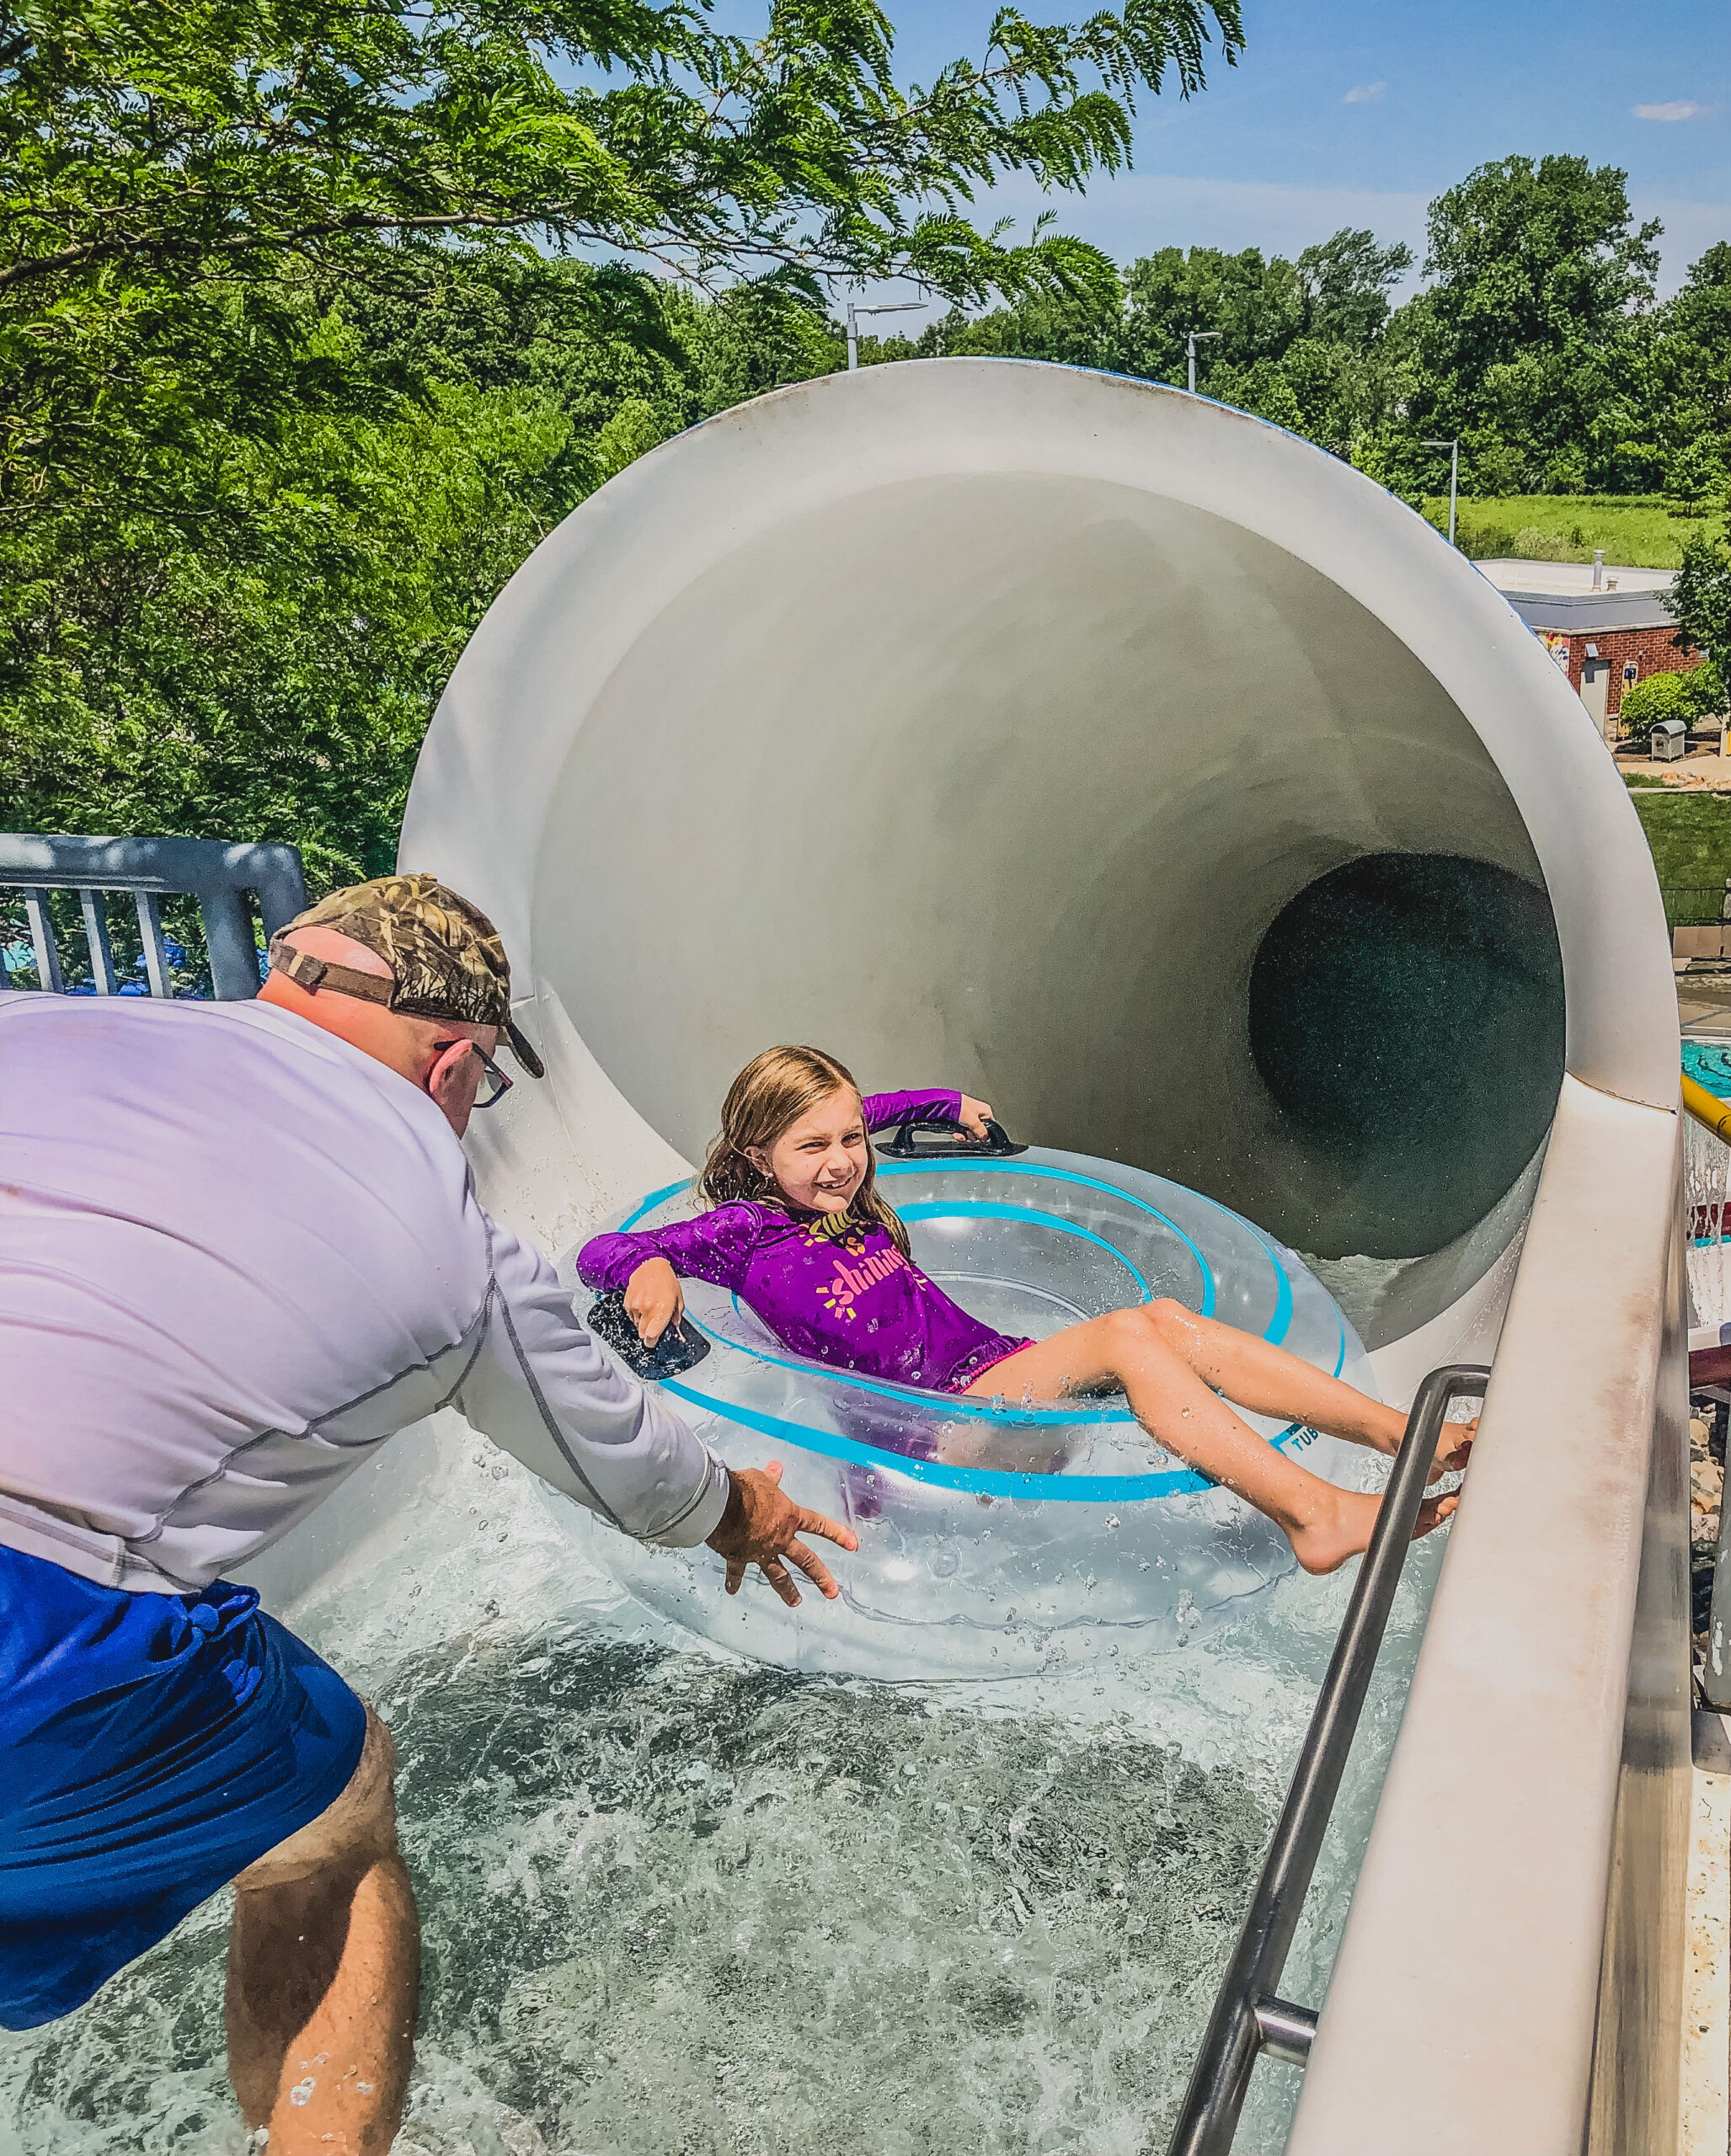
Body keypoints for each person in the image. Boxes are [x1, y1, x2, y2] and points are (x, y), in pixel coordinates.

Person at [0, 878, 855, 2156]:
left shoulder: (36, 1025)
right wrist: (746, 1514)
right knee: (334, 1811)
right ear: (451, 1057)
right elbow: (641, 1478)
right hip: (43, 1623)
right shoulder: (457, 1246)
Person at [579, 1044, 1472, 1577]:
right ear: (757, 1152)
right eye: (814, 1146)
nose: (844, 1160)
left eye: (851, 1139)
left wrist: (941, 1105)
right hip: (923, 1443)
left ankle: (1401, 1435)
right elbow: (597, 1255)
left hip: (987, 1386)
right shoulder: (739, 1234)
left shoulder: (841, 1189)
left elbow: (877, 1109)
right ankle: (1314, 1513)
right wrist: (648, 1267)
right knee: (1128, 1333)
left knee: (1160, 1320)